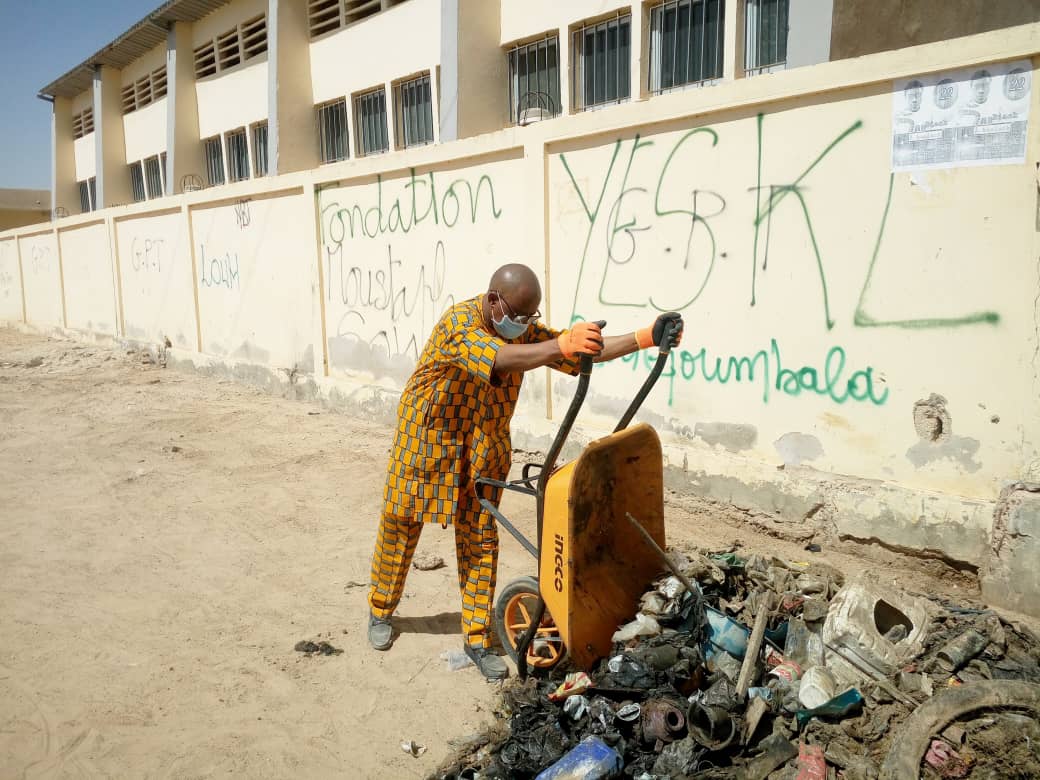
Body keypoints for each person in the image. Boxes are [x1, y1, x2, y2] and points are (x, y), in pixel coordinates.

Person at [366, 263, 683, 679]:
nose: (523, 326)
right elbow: (501, 356)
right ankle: (380, 609)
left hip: (483, 446)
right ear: (494, 300)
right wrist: (561, 344)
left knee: (480, 536)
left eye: (529, 319)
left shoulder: (519, 326)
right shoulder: (458, 324)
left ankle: (477, 638)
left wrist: (645, 336)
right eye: (517, 317)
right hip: (428, 441)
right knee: (401, 526)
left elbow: (576, 350)